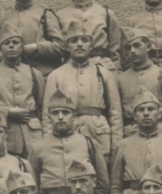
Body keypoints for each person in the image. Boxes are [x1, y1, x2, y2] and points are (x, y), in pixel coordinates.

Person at [43, 20, 123, 164]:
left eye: (84, 40)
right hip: (67, 137)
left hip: (99, 136)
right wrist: (49, 145)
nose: (79, 44)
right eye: (74, 41)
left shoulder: (104, 73)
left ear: (91, 46)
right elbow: (48, 116)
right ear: (67, 46)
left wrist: (116, 147)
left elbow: (115, 113)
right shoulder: (56, 75)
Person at [28, 90, 109, 194]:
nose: (60, 117)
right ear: (49, 117)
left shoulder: (89, 143)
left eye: (65, 112)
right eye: (55, 113)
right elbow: (32, 186)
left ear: (74, 117)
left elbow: (103, 184)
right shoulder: (38, 147)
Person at [0, 22, 45, 158]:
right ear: (0, 48)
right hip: (7, 133)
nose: (11, 46)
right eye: (6, 43)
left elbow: (42, 106)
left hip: (33, 134)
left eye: (15, 42)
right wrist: (8, 112)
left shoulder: (34, 73)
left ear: (21, 47)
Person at [117, 29, 162, 141]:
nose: (132, 51)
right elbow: (116, 114)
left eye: (137, 45)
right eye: (128, 48)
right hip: (131, 136)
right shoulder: (120, 79)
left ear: (148, 46)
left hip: (161, 134)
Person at [0, 0, 66, 78]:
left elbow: (61, 47)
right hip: (12, 77)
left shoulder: (45, 14)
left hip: (42, 74)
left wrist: (37, 47)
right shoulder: (5, 20)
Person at [55, 0, 122, 72]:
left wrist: (115, 72)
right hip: (72, 69)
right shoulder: (60, 16)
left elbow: (115, 51)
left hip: (102, 67)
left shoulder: (106, 13)